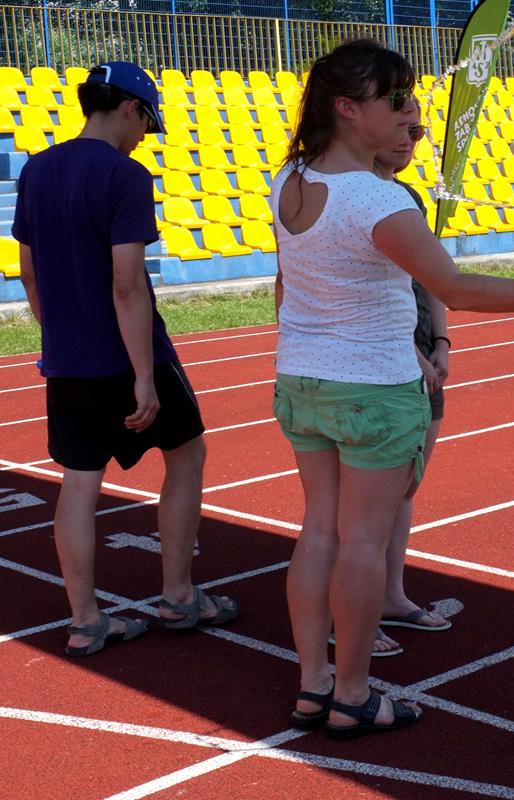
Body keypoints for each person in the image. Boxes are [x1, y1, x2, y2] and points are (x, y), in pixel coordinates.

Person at [273, 39, 514, 740]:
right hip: (373, 387)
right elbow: (455, 287)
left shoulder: (291, 176)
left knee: (318, 531)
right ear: (347, 108)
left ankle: (314, 685)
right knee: (362, 542)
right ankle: (352, 693)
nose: (412, 114)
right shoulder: (375, 198)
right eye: (397, 100)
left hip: (302, 380)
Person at [13, 61, 240, 657]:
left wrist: (59, 334)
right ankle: (179, 596)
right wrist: (143, 374)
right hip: (129, 352)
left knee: (80, 481)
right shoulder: (125, 174)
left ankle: (86, 620)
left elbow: (29, 273)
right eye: (146, 124)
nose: (144, 137)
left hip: (68, 358)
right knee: (186, 453)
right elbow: (127, 284)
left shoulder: (36, 169)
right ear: (132, 109)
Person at [370, 113, 452, 659]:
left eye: (418, 132)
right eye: (401, 128)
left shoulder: (408, 198)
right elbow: (357, 297)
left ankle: (390, 597)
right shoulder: (351, 198)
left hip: (422, 359)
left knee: (404, 488)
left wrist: (441, 342)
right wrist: (411, 354)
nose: (409, 141)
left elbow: (433, 275)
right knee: (362, 506)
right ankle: (346, 613)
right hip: (383, 366)